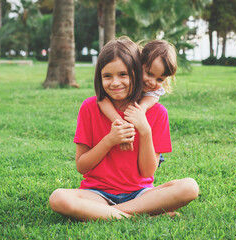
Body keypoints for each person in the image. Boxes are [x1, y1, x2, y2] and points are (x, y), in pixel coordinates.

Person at [49, 37, 199, 221]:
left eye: (123, 74)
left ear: (135, 71)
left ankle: (107, 213)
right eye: (107, 76)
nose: (115, 83)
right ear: (99, 77)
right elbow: (82, 166)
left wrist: (144, 130)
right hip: (96, 193)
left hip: (140, 194)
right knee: (58, 198)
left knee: (190, 187)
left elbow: (147, 173)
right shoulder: (90, 107)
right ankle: (134, 217)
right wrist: (110, 140)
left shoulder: (158, 113)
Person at [98, 39, 177, 151]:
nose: (152, 82)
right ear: (138, 64)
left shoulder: (153, 92)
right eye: (149, 73)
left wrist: (141, 109)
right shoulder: (125, 82)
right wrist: (122, 124)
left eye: (160, 79)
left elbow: (152, 98)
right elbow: (102, 100)